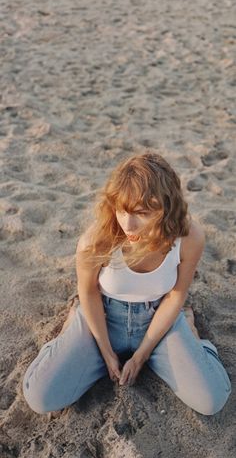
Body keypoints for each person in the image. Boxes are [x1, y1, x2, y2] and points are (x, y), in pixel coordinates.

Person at [23, 153, 231, 416]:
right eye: (123, 210)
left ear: (166, 207)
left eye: (142, 213)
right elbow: (87, 292)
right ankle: (69, 328)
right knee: (40, 397)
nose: (129, 225)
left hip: (159, 319)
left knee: (211, 400)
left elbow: (176, 296)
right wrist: (107, 352)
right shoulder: (96, 239)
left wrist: (142, 355)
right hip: (103, 317)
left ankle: (192, 333)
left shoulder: (189, 237)